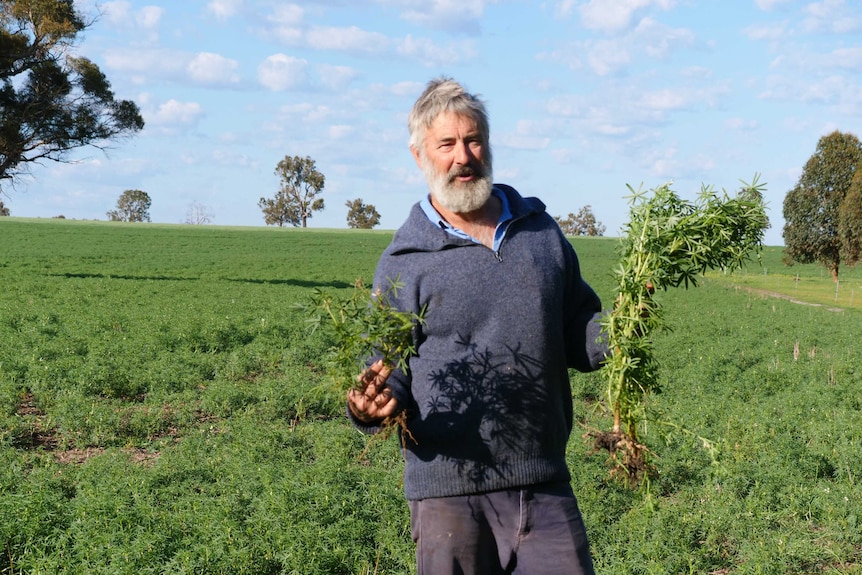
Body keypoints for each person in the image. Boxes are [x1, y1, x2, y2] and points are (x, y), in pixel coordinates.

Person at [347, 77, 607, 575]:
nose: (463, 156)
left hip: (543, 479)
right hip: (448, 492)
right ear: (420, 154)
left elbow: (577, 323)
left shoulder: (539, 233)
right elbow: (385, 363)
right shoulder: (406, 258)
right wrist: (370, 403)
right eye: (447, 144)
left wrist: (617, 338)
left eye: (473, 140)